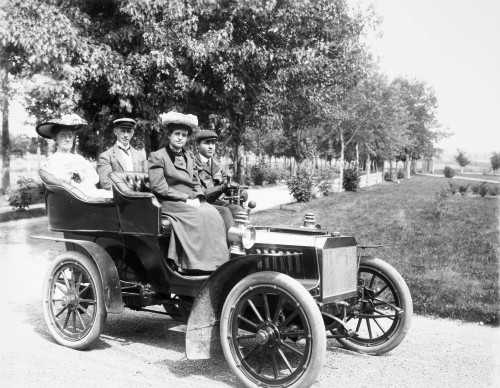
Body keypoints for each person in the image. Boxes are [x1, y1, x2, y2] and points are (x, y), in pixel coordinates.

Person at [148, 111, 229, 272]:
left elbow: (195, 182)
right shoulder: (158, 156)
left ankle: (216, 264)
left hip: (189, 201)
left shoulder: (189, 157)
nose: (180, 138)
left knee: (213, 213)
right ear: (169, 135)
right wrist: (186, 199)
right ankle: (191, 264)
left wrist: (199, 197)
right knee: (198, 215)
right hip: (169, 202)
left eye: (184, 135)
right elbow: (159, 187)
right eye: (177, 134)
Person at [36, 114, 113, 199]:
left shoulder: (79, 158)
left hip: (91, 194)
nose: (68, 139)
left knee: (117, 195)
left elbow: (94, 179)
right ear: (55, 139)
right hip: (74, 199)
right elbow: (61, 186)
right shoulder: (52, 161)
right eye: (63, 135)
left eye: (70, 135)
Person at [194, 129, 247, 217]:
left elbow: (227, 183)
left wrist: (240, 191)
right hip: (202, 203)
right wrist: (221, 188)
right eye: (206, 143)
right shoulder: (192, 164)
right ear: (197, 145)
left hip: (219, 202)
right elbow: (198, 192)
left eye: (213, 143)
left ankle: (244, 230)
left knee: (239, 211)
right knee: (225, 212)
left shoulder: (217, 165)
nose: (211, 147)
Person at [97, 118, 148, 190]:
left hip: (139, 197)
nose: (126, 135)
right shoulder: (106, 156)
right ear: (115, 131)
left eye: (129, 131)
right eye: (122, 131)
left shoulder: (140, 156)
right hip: (120, 198)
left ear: (132, 133)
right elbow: (106, 184)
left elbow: (147, 180)